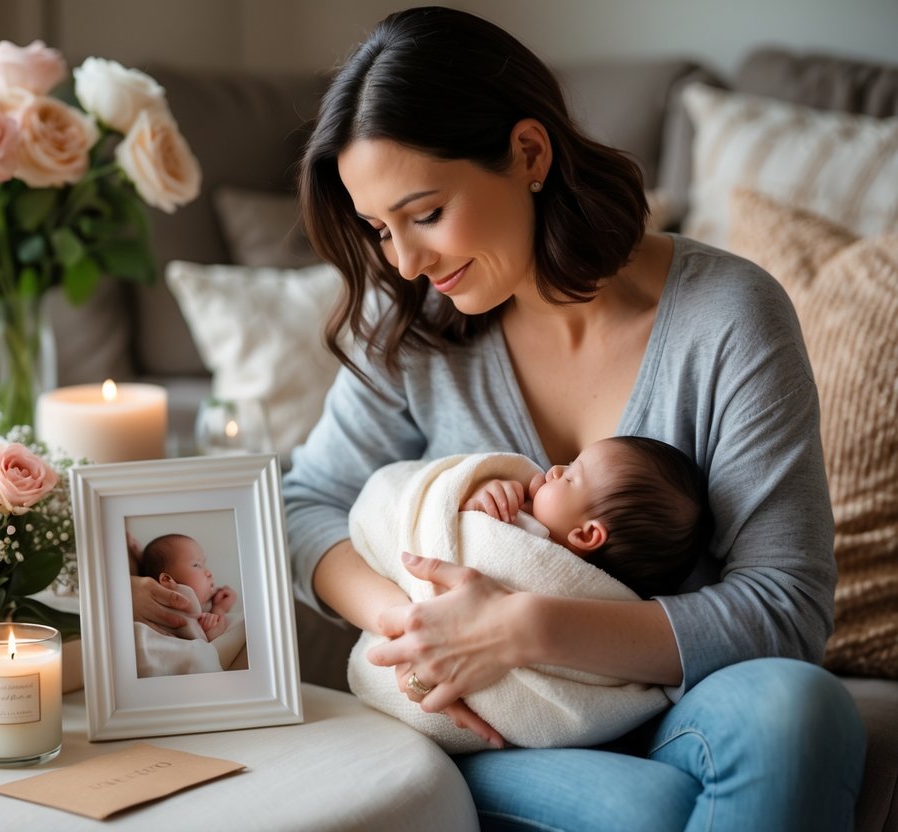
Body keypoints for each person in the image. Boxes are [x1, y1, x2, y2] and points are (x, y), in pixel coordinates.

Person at [282, 6, 865, 829]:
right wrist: (420, 628)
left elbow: (784, 607)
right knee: (649, 811)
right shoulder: (414, 323)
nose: (404, 262)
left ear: (527, 154)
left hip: (676, 705)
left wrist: (524, 627)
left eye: (425, 213)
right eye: (379, 230)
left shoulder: (727, 318)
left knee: (797, 713)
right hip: (487, 721)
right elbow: (304, 506)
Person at [461, 435, 710, 599]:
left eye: (569, 478)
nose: (555, 470)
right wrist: (480, 496)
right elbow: (447, 522)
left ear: (586, 534)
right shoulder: (514, 507)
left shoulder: (574, 602)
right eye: (569, 464)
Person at [137, 533, 237, 642]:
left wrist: (218, 607)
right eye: (197, 565)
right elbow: (213, 641)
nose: (209, 573)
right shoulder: (167, 611)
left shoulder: (204, 606)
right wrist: (220, 610)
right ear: (166, 580)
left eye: (204, 565)